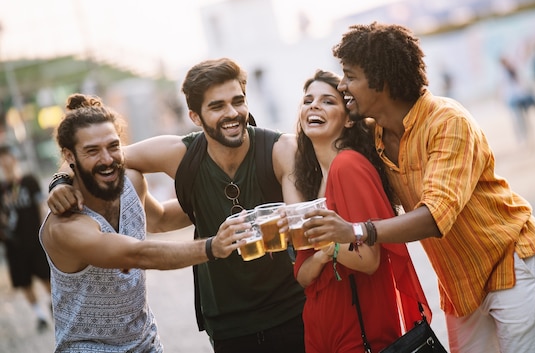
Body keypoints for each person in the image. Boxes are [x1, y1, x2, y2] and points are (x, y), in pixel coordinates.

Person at [301, 22, 535, 353]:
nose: (342, 84)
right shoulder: (376, 133)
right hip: (459, 284)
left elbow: (434, 217)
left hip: (509, 262)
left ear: (381, 83)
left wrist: (355, 231)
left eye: (351, 76)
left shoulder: (448, 122)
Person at [47, 58, 306, 353]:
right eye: (217, 106)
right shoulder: (180, 154)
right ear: (195, 116)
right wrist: (59, 182)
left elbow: (303, 224)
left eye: (238, 101)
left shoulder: (280, 149)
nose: (232, 113)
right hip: (228, 323)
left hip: (292, 309)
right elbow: (99, 159)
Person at [40, 93, 219, 352]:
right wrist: (215, 246)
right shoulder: (64, 226)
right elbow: (138, 254)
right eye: (92, 151)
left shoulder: (131, 182)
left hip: (147, 345)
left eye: (113, 146)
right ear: (70, 156)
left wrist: (222, 200)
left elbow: (160, 219)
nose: (107, 159)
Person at [293, 70, 431, 352]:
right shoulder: (315, 181)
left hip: (358, 331)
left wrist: (329, 248)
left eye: (328, 101)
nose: (314, 106)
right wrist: (324, 252)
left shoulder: (348, 167)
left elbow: (368, 259)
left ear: (347, 119)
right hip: (320, 331)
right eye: (308, 100)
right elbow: (303, 275)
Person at [0, 145, 51, 332]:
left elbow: (41, 207)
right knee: (24, 282)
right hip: (14, 244)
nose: (5, 161)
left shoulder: (29, 181)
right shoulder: (1, 189)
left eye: (7, 156)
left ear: (14, 158)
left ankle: (53, 304)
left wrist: (44, 231)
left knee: (46, 277)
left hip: (34, 239)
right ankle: (40, 316)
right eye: (1, 158)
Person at [499, 56, 535, 146]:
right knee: (518, 119)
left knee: (523, 118)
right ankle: (523, 137)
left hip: (520, 96)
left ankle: (528, 136)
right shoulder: (502, 73)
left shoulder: (513, 69)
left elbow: (521, 82)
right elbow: (503, 88)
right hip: (512, 98)